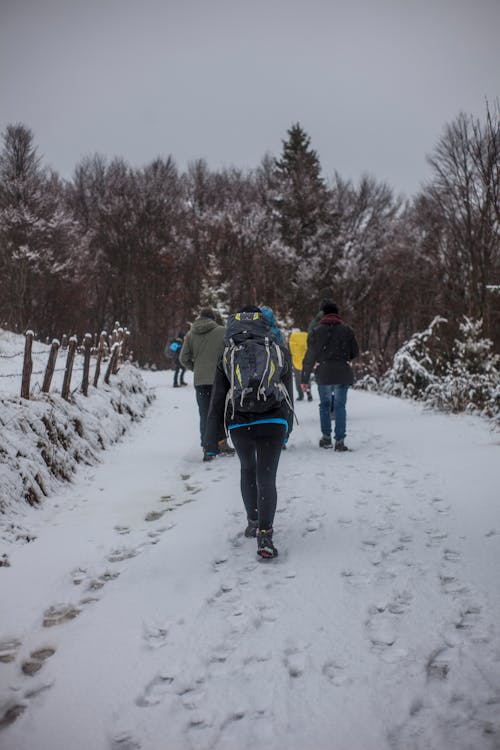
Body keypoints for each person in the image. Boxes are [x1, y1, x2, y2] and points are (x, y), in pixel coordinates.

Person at [204, 306, 294, 559]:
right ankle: (265, 534)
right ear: (264, 323)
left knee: (247, 470)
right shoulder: (277, 348)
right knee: (267, 477)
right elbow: (288, 390)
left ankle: (253, 521)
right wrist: (287, 427)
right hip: (273, 419)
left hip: (240, 422)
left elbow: (218, 398)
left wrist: (215, 436)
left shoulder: (228, 352)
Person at [301, 300, 359, 451]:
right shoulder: (347, 330)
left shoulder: (316, 331)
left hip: (324, 373)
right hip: (342, 372)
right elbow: (355, 352)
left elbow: (310, 357)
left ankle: (326, 438)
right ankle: (339, 441)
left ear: (323, 313)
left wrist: (304, 378)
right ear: (337, 313)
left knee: (325, 405)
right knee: (340, 406)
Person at [179, 307, 234, 457]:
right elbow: (230, 354)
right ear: (213, 319)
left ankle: (207, 447)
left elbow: (183, 358)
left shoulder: (190, 334)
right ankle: (222, 443)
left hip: (201, 381)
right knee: (220, 412)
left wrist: (196, 368)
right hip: (219, 380)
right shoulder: (223, 331)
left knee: (205, 414)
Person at [288, 328, 312, 401]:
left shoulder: (292, 339)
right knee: (306, 377)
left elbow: (289, 351)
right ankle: (308, 392)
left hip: (296, 362)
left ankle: (300, 395)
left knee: (298, 379)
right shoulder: (305, 337)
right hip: (306, 362)